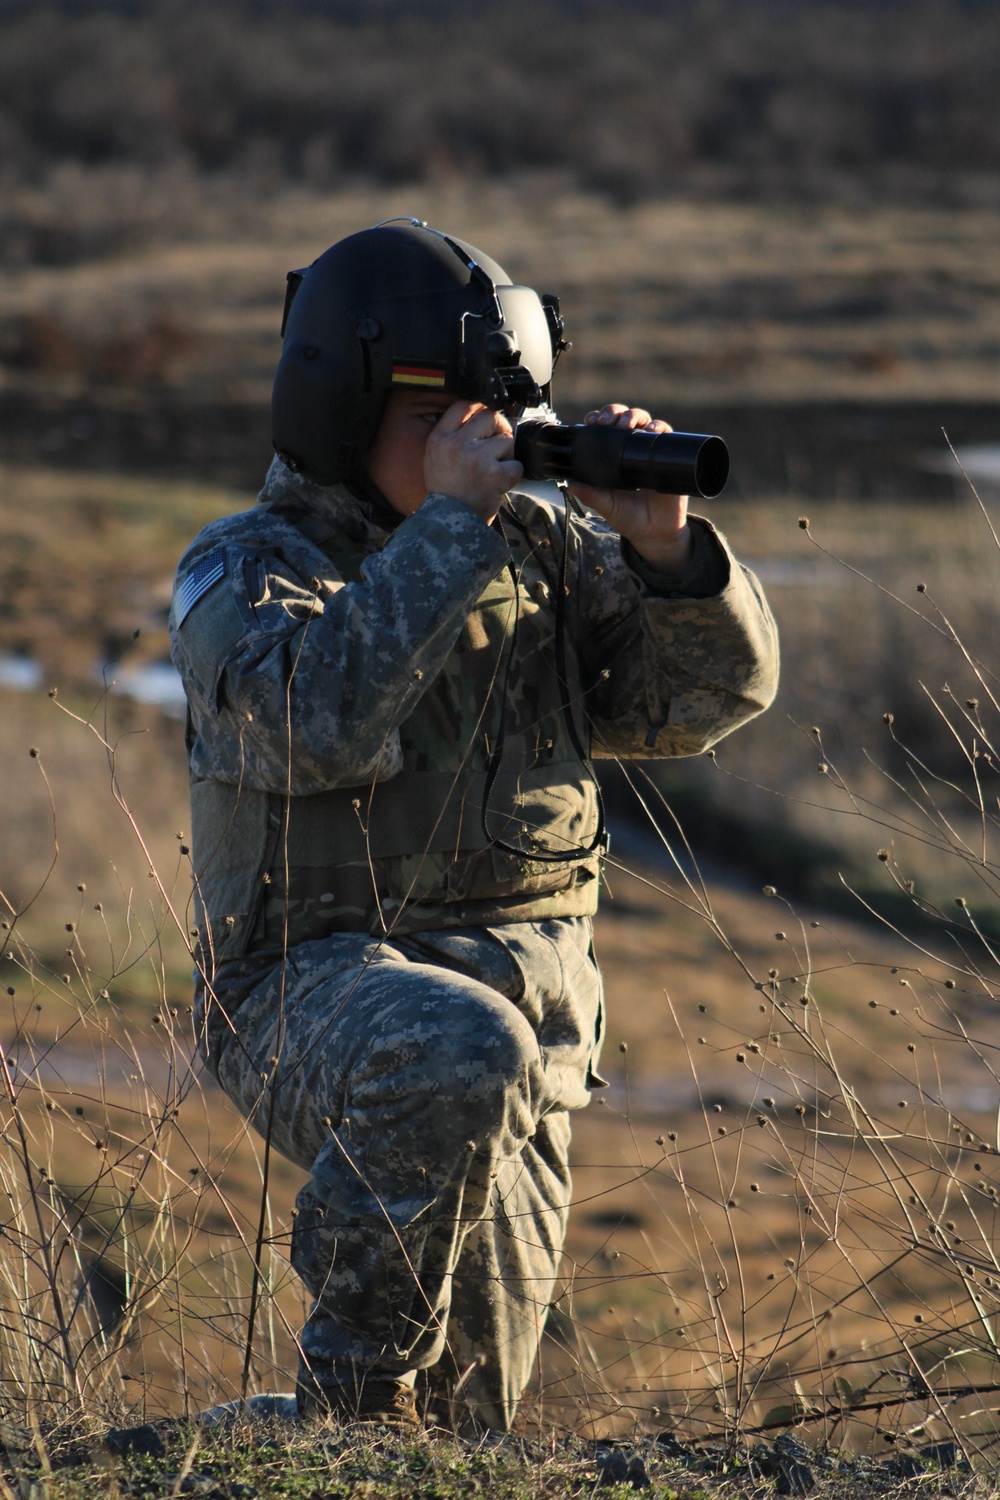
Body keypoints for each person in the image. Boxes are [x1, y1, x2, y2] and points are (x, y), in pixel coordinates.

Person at [169, 218, 779, 1432]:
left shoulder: (541, 550)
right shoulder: (248, 567)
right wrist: (446, 532)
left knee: (467, 1428)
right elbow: (311, 725)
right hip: (309, 988)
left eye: (496, 413)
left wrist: (662, 554)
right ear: (340, 409)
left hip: (528, 1025)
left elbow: (697, 707)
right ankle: (345, 1408)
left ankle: (309, 1446)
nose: (481, 442)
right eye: (433, 416)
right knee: (454, 1059)